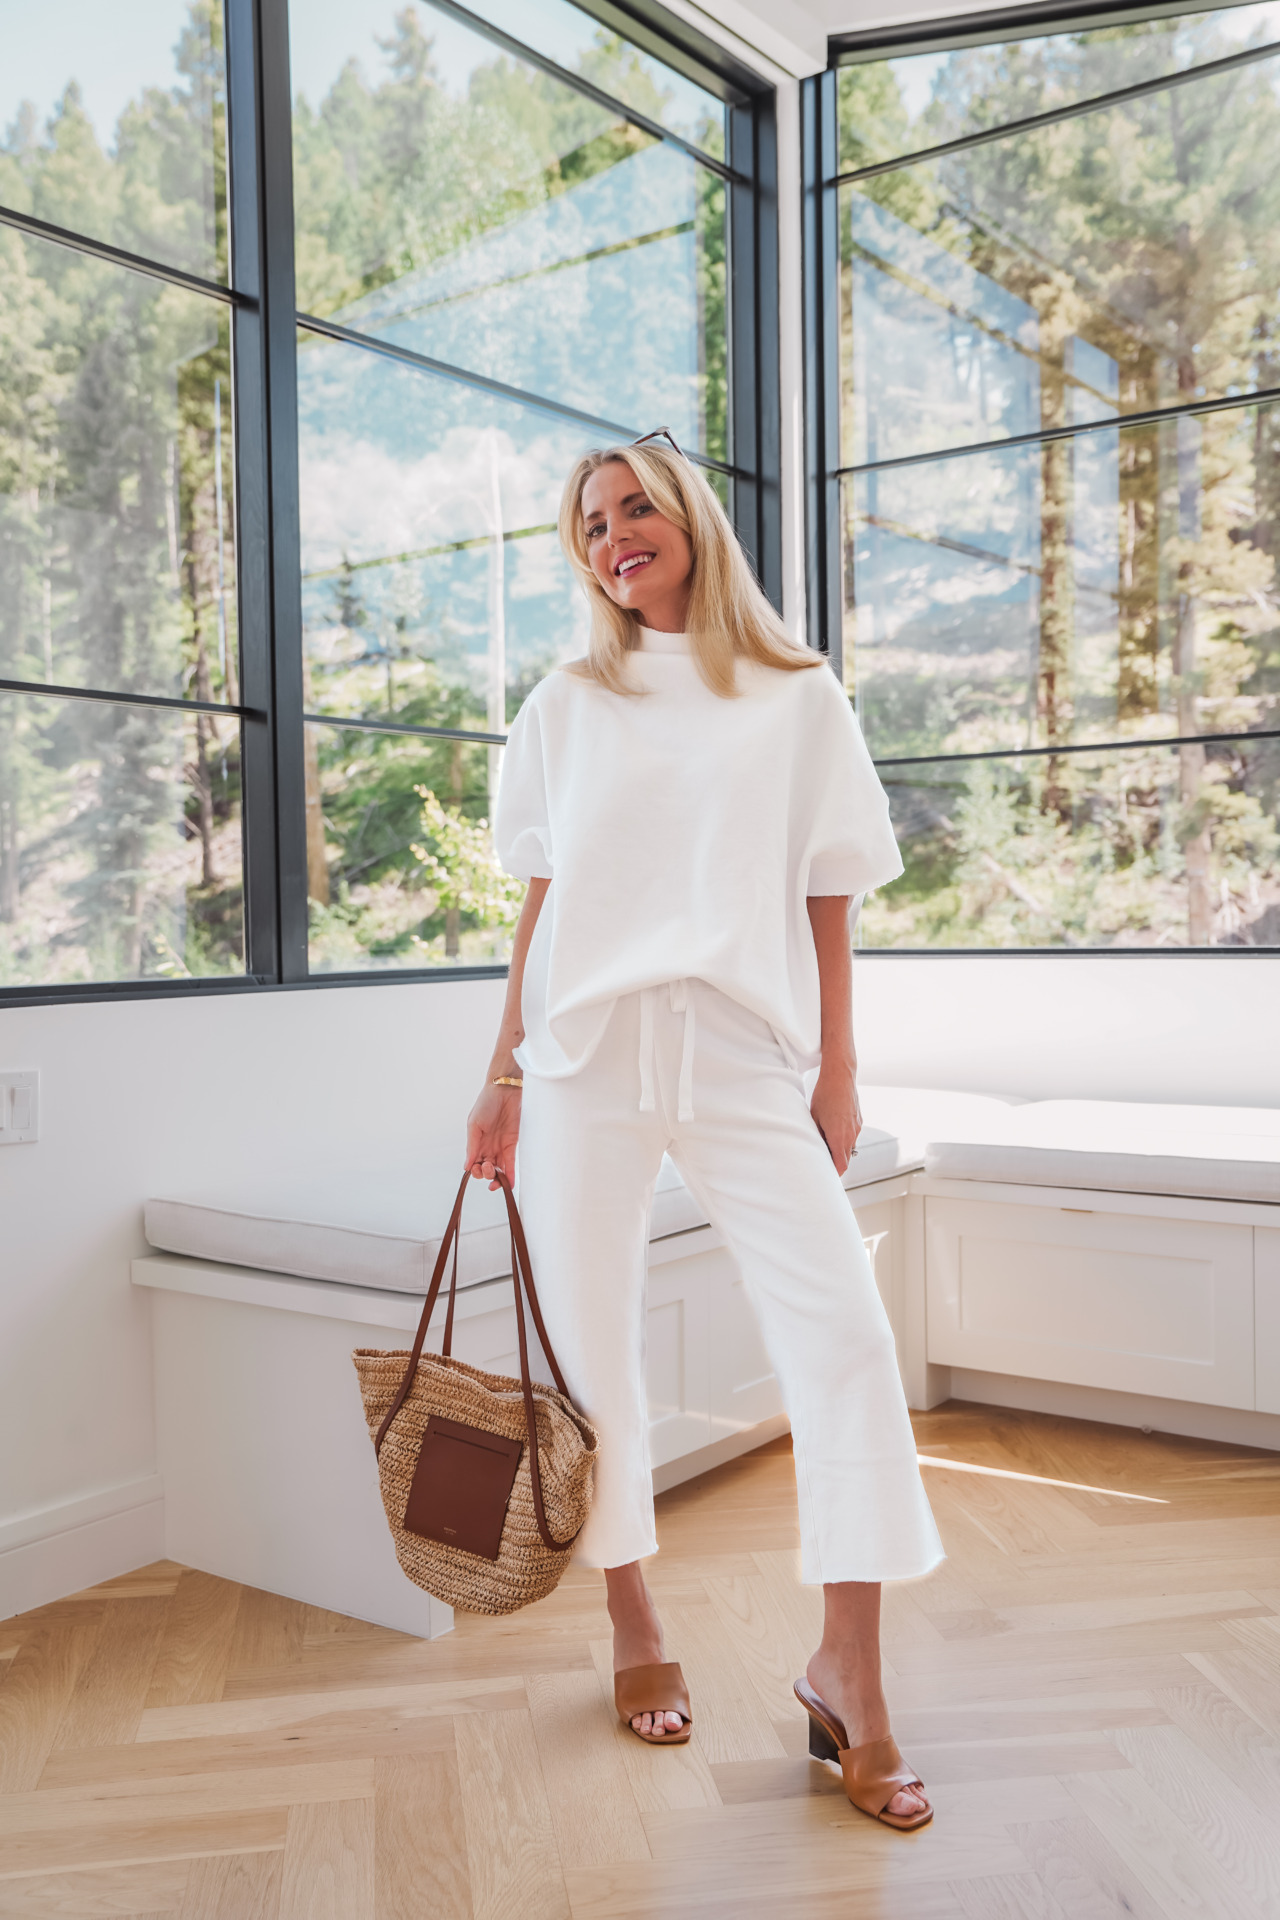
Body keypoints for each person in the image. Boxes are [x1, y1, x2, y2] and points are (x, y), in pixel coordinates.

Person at [465, 434, 943, 1831]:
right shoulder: (567, 701)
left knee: (846, 1340)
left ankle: (849, 1667)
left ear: (688, 520)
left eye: (635, 509)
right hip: (584, 1063)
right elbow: (542, 905)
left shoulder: (795, 697)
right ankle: (631, 1614)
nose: (614, 536)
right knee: (592, 1350)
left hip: (744, 1054)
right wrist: (498, 1075)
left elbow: (832, 894)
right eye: (591, 523)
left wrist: (840, 1067)